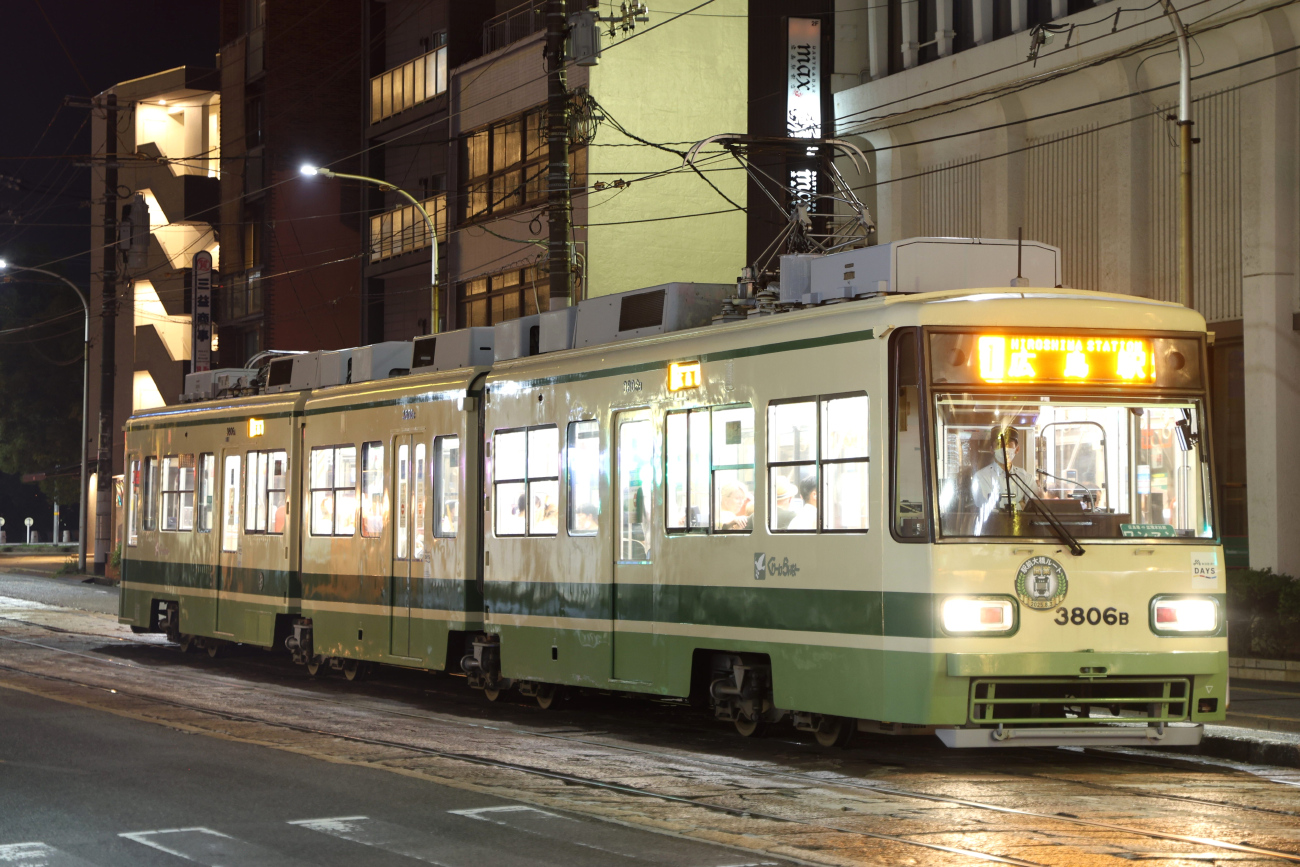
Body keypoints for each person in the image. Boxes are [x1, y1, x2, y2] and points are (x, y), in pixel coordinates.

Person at [971, 427, 1041, 511]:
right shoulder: (981, 477)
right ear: (991, 450)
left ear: (1017, 449)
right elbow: (987, 509)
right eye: (999, 444)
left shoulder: (1026, 478)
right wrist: (1021, 504)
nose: (1004, 448)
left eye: (1008, 444)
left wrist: (1000, 507)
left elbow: (1033, 508)